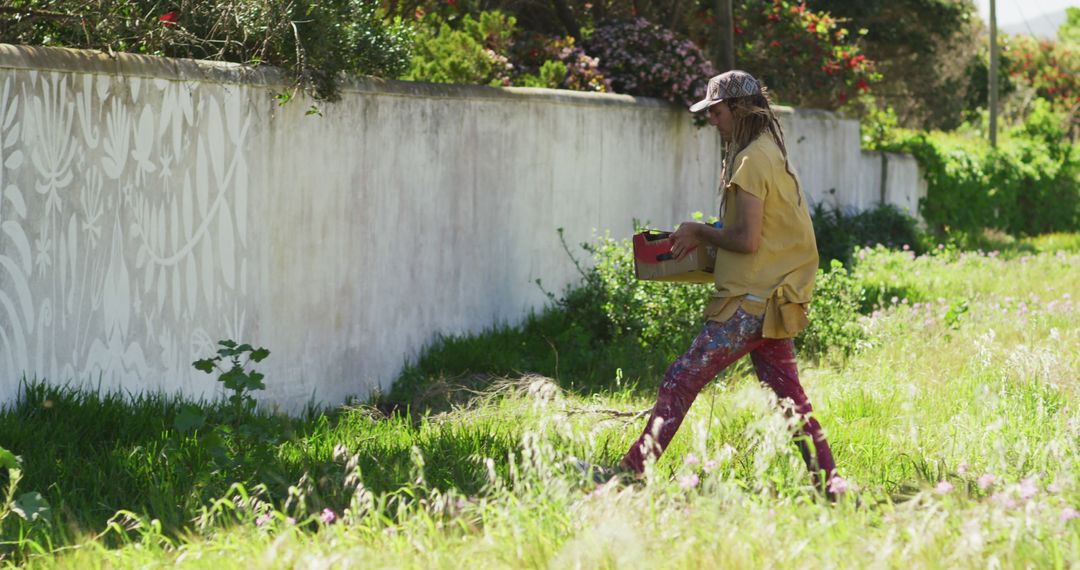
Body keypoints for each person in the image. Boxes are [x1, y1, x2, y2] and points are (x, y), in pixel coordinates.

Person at [618, 70, 838, 494]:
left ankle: (630, 473)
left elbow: (747, 238)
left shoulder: (751, 159)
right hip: (771, 299)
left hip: (749, 304)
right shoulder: (770, 152)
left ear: (739, 109)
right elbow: (762, 232)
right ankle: (830, 486)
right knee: (791, 403)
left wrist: (699, 232)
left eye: (716, 111)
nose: (712, 121)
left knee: (680, 379)